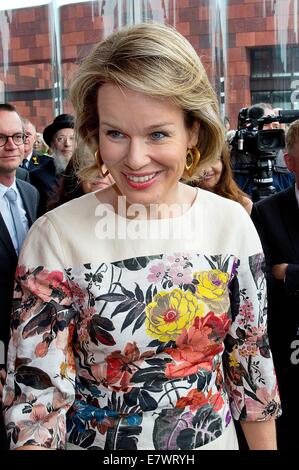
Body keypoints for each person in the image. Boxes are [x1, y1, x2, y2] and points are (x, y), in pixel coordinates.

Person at [2, 23, 281, 451]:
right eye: (116, 133)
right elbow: (36, 408)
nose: (134, 159)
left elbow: (252, 366)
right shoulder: (54, 236)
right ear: (95, 134)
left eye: (157, 133)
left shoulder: (232, 223)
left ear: (193, 131)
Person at [251, 119, 299, 449]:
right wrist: (277, 274)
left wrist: (291, 273)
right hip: (286, 351)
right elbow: (259, 281)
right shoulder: (267, 212)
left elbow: (281, 272)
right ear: (290, 161)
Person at [0, 103, 39, 450]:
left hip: (29, 337)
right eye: (1, 138)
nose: (11, 145)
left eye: (18, 136)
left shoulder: (29, 191)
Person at [30, 114, 75, 214]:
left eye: (72, 138)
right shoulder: (37, 176)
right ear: (52, 144)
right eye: (60, 139)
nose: (67, 144)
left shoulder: (88, 174)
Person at [192, 145, 253, 214]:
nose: (207, 169)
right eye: (201, 162)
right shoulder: (184, 203)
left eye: (214, 160)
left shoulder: (243, 204)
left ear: (223, 163)